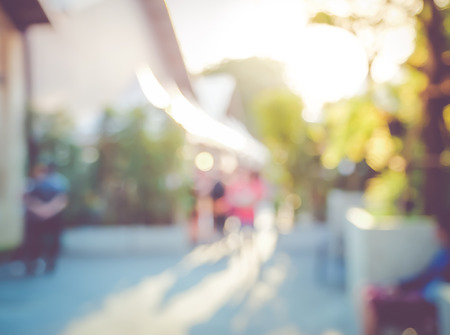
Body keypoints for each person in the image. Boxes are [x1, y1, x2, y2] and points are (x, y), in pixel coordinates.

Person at [364, 208, 450, 335]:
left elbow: (427, 283)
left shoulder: (446, 258)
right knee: (369, 292)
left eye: (437, 227)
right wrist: (398, 285)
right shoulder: (442, 253)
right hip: (419, 299)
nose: (434, 231)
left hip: (424, 307)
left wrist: (400, 289)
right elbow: (423, 277)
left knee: (372, 301)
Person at [21, 162, 70, 274]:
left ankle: (50, 262)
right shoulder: (30, 182)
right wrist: (40, 209)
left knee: (53, 240)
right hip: (35, 218)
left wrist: (48, 209)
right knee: (34, 241)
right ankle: (32, 262)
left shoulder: (58, 181)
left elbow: (62, 199)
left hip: (52, 217)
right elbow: (26, 198)